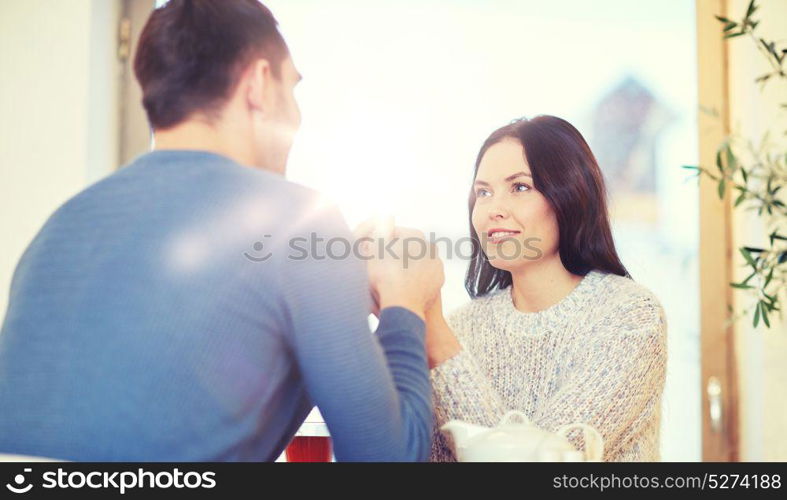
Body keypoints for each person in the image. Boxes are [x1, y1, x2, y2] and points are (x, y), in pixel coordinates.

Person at [0, 0, 441, 461]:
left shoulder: (61, 225)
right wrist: (404, 303)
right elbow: (389, 462)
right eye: (291, 88)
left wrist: (336, 283)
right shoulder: (300, 220)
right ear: (258, 86)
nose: (295, 113)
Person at [423, 116, 667, 462]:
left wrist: (433, 330)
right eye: (483, 192)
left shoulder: (629, 317)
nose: (494, 209)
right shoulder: (460, 328)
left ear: (570, 196)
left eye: (520, 187)